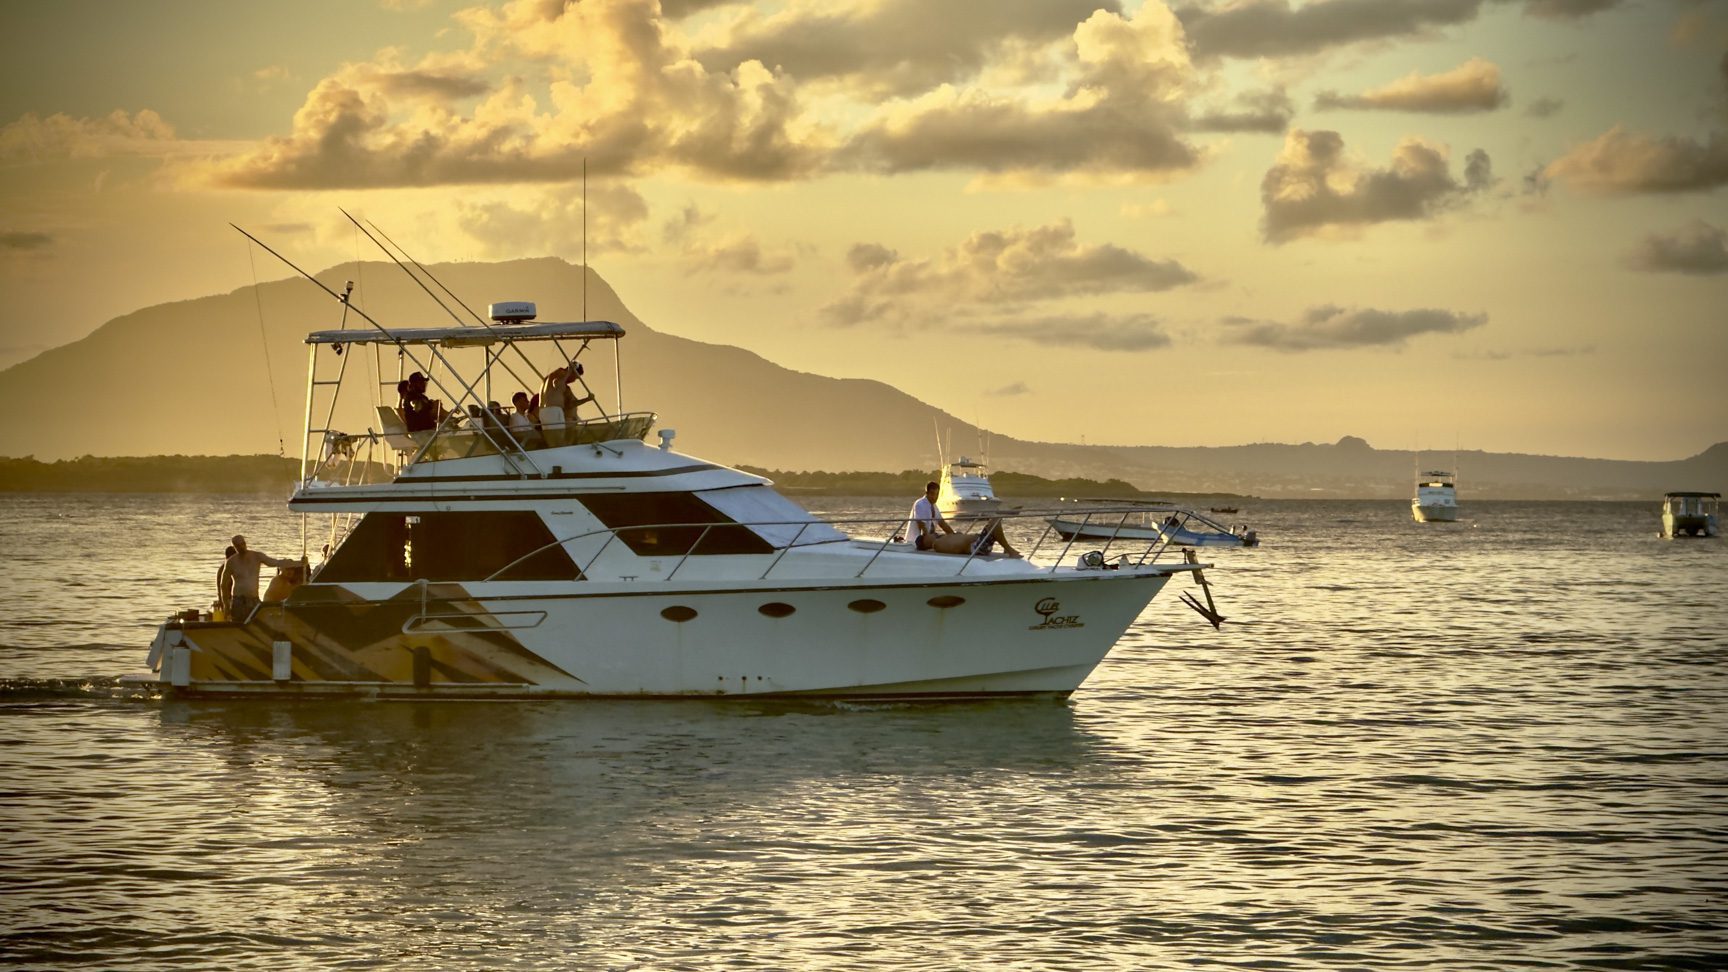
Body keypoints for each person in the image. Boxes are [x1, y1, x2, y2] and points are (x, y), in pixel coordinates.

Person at [905, 481, 1021, 557]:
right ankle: (1008, 549)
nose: (934, 497)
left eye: (936, 494)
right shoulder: (920, 504)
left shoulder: (934, 508)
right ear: (927, 493)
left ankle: (1006, 548)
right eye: (932, 494)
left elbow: (942, 524)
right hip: (976, 547)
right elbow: (921, 524)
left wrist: (953, 534)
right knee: (994, 522)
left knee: (994, 521)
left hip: (978, 544)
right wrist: (927, 536)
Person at [224, 535, 300, 621]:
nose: (241, 547)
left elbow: (275, 562)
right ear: (234, 547)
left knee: (258, 622)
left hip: (253, 599)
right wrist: (226, 604)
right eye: (238, 545)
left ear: (245, 543)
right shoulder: (231, 562)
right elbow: (223, 584)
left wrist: (299, 563)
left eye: (243, 544)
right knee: (238, 622)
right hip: (238, 600)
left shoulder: (257, 556)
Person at [215, 544, 236, 619]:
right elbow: (224, 589)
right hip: (229, 603)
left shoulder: (225, 567)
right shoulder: (226, 569)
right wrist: (226, 606)